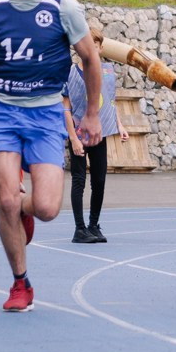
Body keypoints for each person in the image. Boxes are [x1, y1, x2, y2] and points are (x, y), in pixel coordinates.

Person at [0, 0, 105, 313]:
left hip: (45, 113)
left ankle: (23, 209)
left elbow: (91, 60)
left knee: (45, 208)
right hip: (3, 111)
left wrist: (91, 114)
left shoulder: (64, 8)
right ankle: (20, 283)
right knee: (6, 199)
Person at [62, 47, 115, 245]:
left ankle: (94, 225)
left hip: (99, 132)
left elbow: (110, 103)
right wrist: (73, 138)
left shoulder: (106, 73)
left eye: (96, 43)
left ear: (101, 48)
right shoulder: (71, 72)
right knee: (79, 180)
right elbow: (65, 108)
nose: (92, 47)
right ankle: (79, 228)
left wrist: (121, 126)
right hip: (78, 133)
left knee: (99, 181)